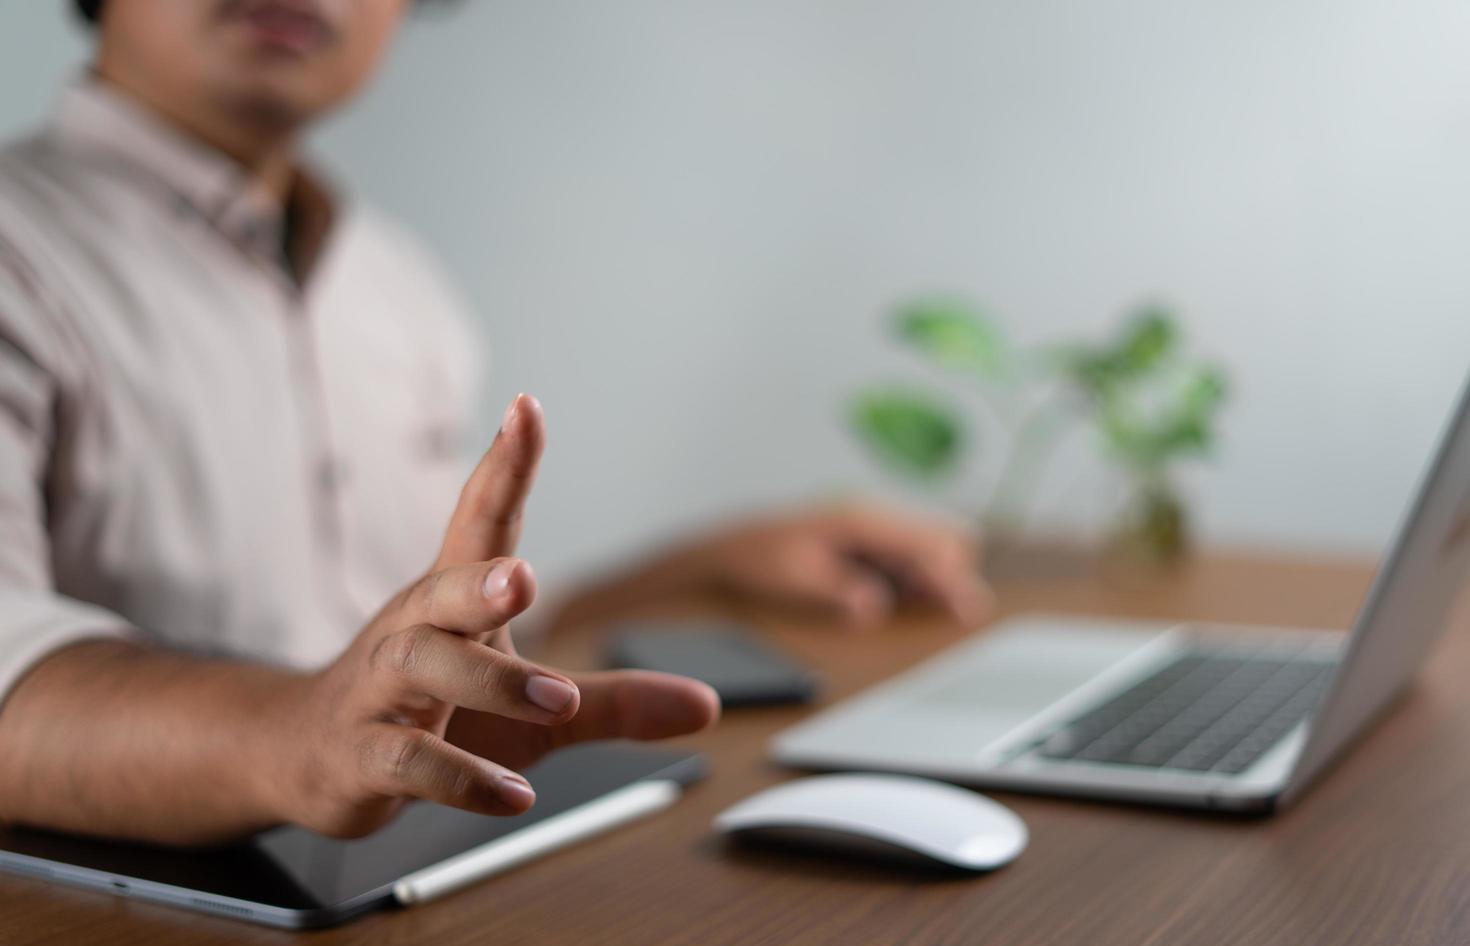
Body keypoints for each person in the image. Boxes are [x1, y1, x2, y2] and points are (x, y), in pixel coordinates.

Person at [0, 0, 990, 846]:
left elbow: (426, 656)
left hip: (406, 884)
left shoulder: (397, 289)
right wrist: (298, 735)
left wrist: (712, 564)